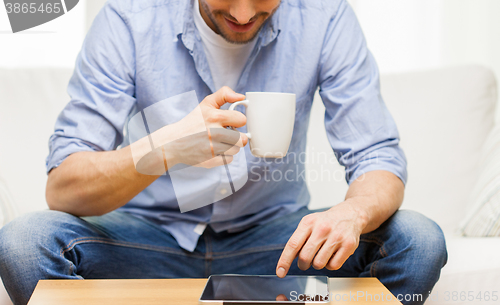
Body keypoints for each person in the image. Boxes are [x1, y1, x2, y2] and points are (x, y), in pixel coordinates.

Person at [0, 0, 447, 304]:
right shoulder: (129, 16)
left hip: (274, 244)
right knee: (24, 244)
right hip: (146, 240)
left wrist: (353, 213)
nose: (242, 13)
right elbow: (63, 188)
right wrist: (165, 147)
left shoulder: (324, 16)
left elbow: (377, 156)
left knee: (417, 242)